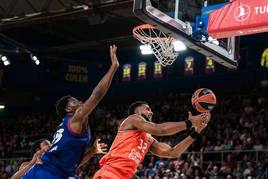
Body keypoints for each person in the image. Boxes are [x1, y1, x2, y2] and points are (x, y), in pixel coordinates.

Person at [23, 45, 119, 179]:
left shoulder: (72, 123)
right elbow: (96, 95)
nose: (79, 100)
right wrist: (113, 67)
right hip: (48, 171)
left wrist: (92, 151)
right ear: (68, 109)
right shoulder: (75, 118)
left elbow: (73, 163)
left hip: (58, 172)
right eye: (73, 101)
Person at [93, 101, 211, 179]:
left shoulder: (148, 138)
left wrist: (197, 131)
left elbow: (174, 152)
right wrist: (190, 123)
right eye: (147, 109)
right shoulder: (132, 119)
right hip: (109, 173)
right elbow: (160, 129)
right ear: (137, 112)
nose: (151, 112)